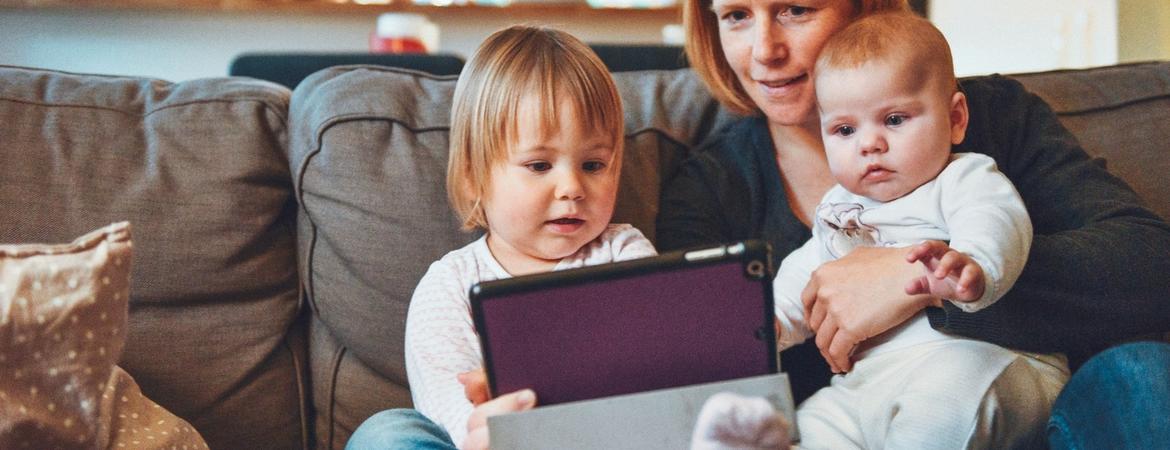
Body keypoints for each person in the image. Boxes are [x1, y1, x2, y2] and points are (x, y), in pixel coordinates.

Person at [658, 0, 1170, 414]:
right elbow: (708, 372)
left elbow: (1150, 265)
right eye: (737, 16)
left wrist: (918, 283)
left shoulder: (995, 118)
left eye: (797, 9)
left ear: (867, 8)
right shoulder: (708, 189)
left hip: (1038, 409)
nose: (765, 49)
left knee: (1142, 373)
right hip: (858, 418)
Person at [697, 13, 1069, 448]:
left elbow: (995, 219)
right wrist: (768, 324)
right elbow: (809, 271)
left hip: (983, 360)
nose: (868, 144)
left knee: (939, 408)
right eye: (845, 129)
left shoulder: (962, 177)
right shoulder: (838, 207)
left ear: (955, 119)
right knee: (819, 420)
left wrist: (973, 263)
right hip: (870, 381)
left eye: (893, 120)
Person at [346, 25, 656, 450]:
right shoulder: (449, 286)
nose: (571, 188)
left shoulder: (625, 255)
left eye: (593, 165)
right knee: (389, 432)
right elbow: (449, 413)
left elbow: (652, 374)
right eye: (539, 166)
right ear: (474, 177)